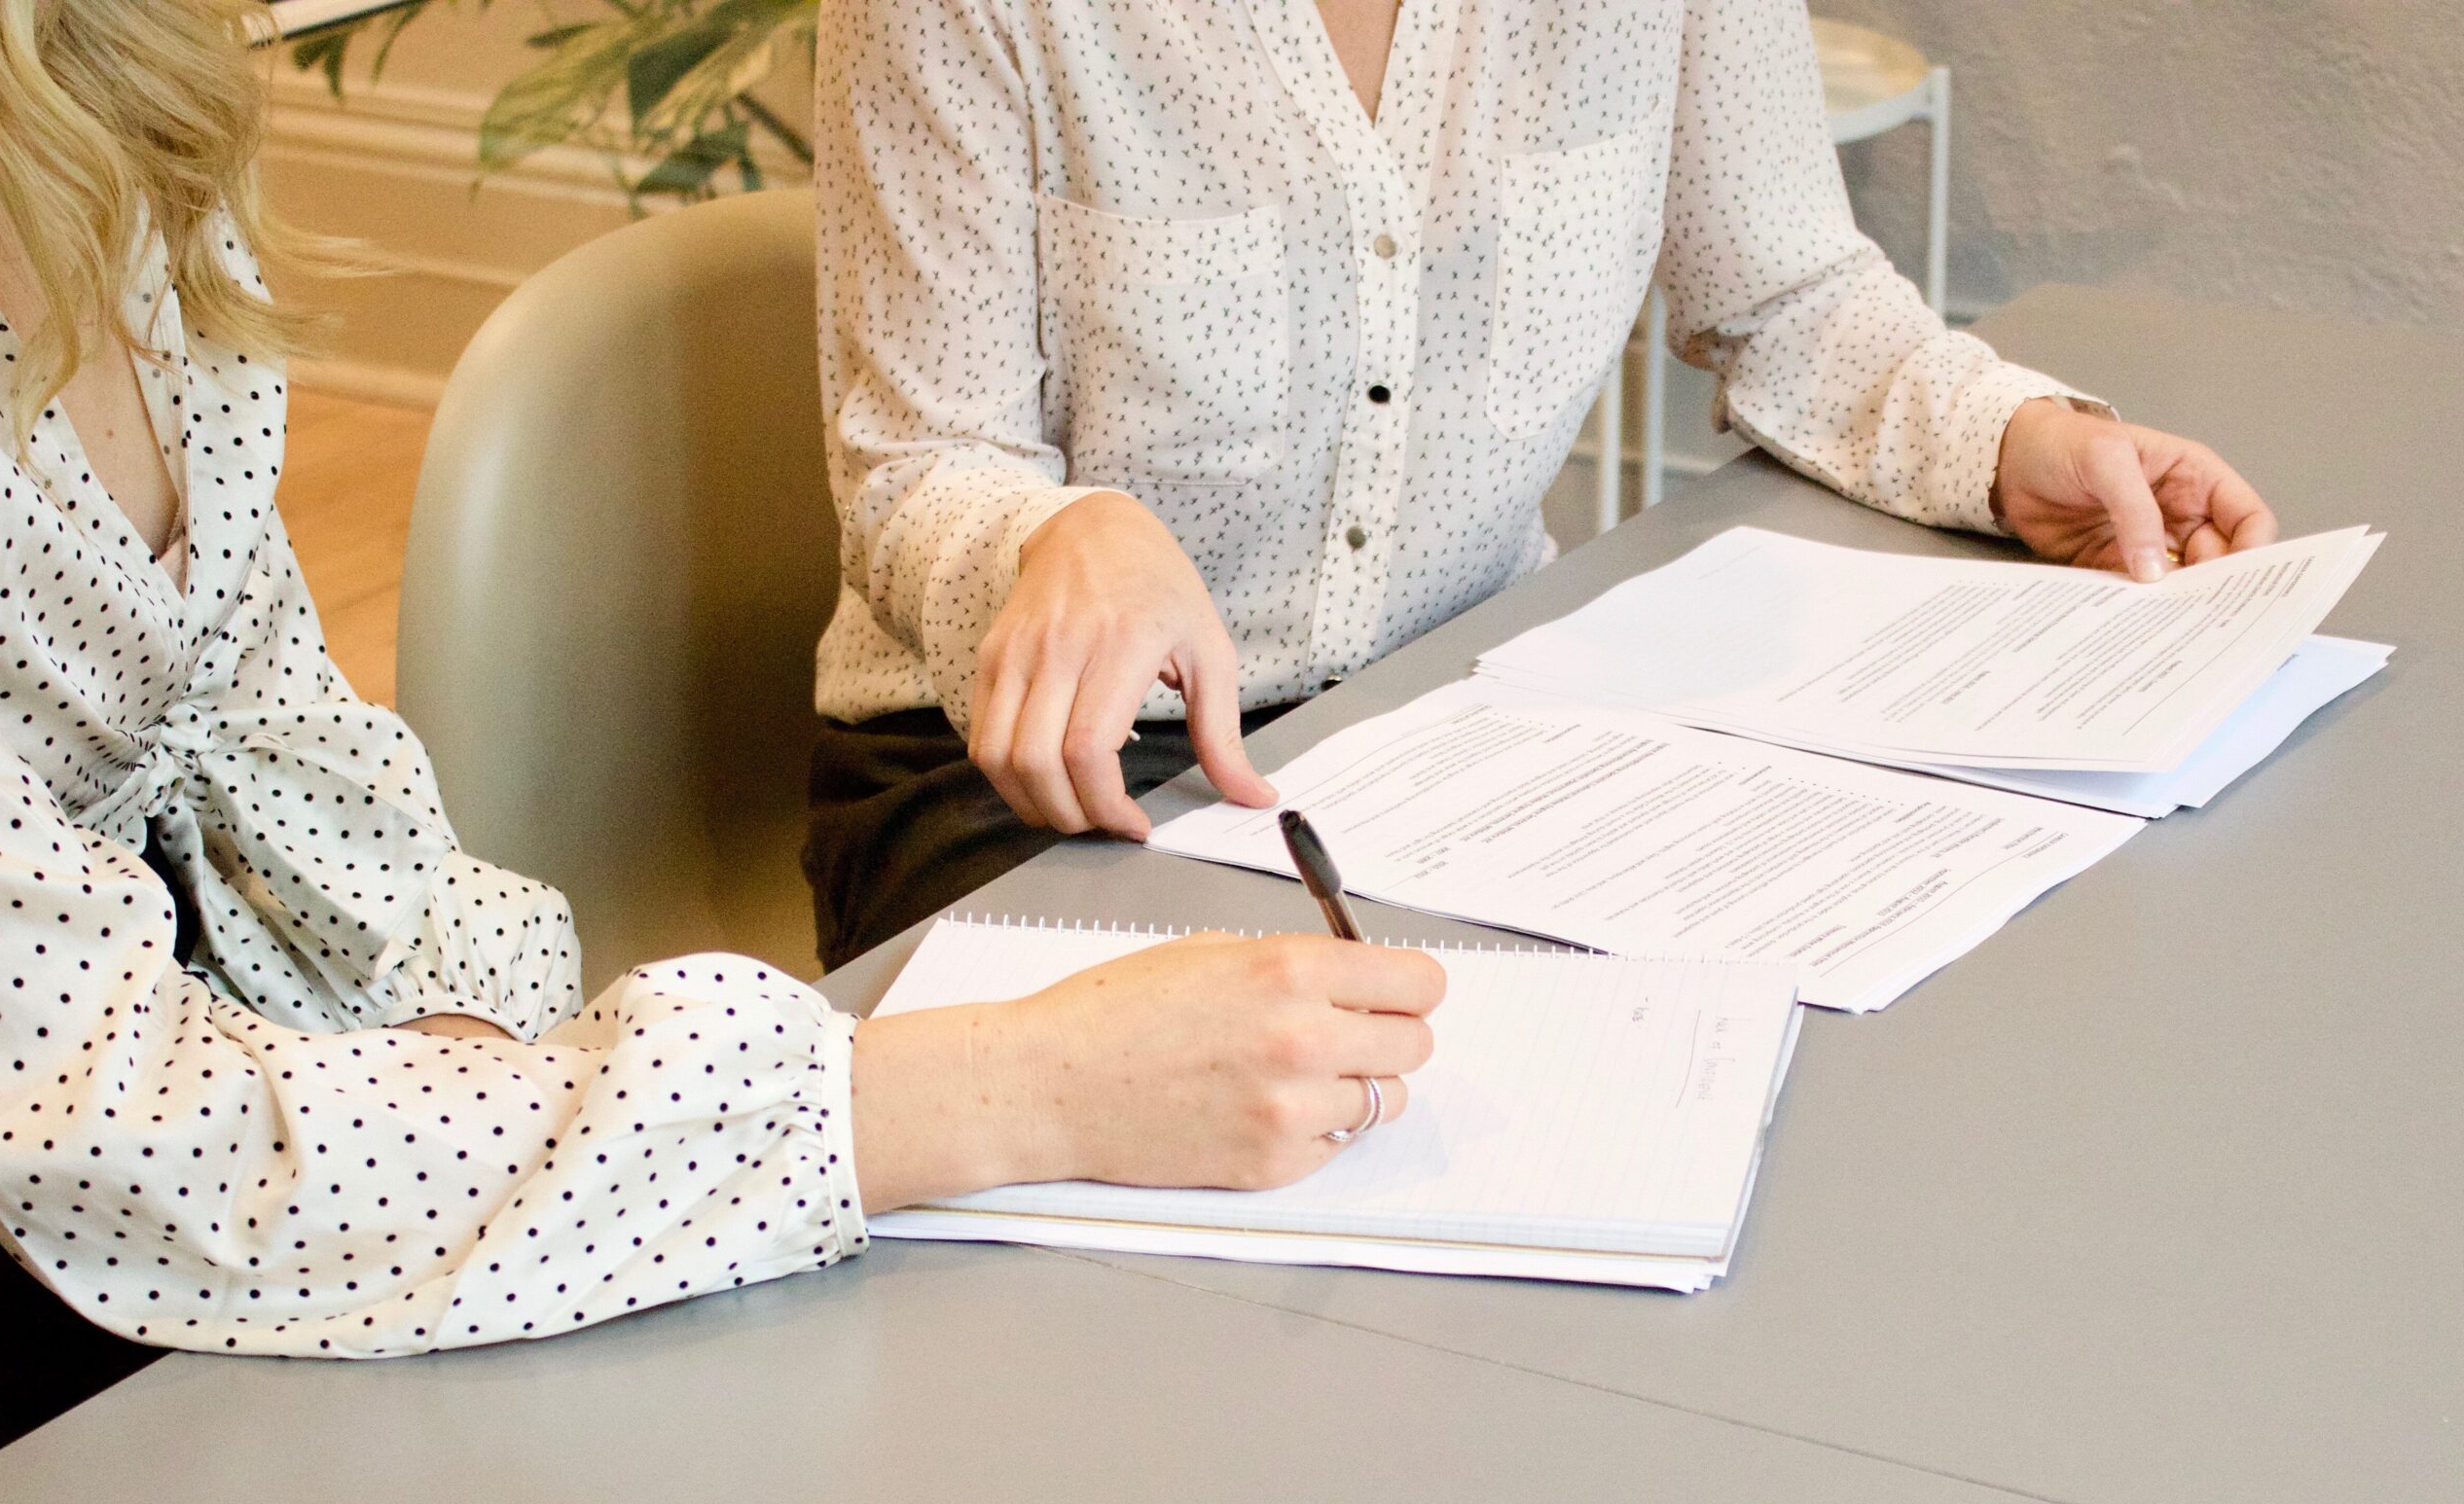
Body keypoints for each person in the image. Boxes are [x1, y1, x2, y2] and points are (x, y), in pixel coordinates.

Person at [0, 0, 1444, 1459]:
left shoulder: (113, 134)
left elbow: (288, 762)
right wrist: (1022, 1087)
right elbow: (136, 1133)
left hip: (242, 1136)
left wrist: (482, 1064)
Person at [805, 0, 2280, 967]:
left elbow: (1786, 290)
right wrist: (1055, 537)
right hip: (1032, 778)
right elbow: (917, 461)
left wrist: (2014, 439)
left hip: (1450, 731)